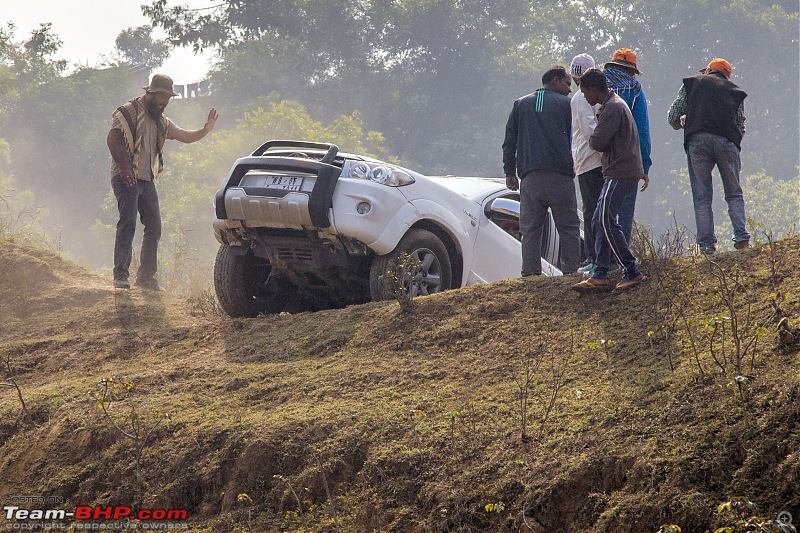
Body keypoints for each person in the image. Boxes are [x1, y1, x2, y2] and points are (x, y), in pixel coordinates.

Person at [108, 74, 218, 290]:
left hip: (146, 179)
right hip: (126, 177)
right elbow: (113, 139)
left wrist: (205, 130)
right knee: (128, 223)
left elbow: (185, 136)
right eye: (161, 96)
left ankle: (146, 278)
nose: (164, 101)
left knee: (154, 226)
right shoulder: (128, 112)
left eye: (167, 97)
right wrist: (124, 168)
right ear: (149, 93)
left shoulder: (161, 122)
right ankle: (120, 274)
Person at [572, 69, 647, 293]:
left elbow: (597, 141)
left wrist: (596, 133)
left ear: (594, 89)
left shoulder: (613, 108)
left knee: (605, 219)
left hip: (621, 171)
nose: (584, 96)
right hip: (618, 171)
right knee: (598, 219)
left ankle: (631, 270)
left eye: (585, 91)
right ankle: (600, 273)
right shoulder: (612, 105)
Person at [502, 66, 581, 277]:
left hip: (530, 177)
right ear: (555, 81)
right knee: (569, 228)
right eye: (567, 84)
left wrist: (510, 172)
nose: (569, 90)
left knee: (529, 230)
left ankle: (530, 274)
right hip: (560, 177)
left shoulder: (520, 104)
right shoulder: (568, 105)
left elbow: (509, 141)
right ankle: (571, 273)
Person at [667, 58, 750, 254]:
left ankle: (707, 246)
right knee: (734, 193)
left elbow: (672, 117)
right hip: (727, 142)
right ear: (726, 75)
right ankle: (742, 239)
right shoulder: (735, 91)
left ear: (709, 71)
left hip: (698, 140)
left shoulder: (693, 83)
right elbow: (740, 126)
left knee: (702, 196)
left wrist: (683, 122)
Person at [603, 48, 652, 244]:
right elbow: (642, 129)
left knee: (600, 211)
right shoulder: (634, 88)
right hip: (627, 158)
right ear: (631, 70)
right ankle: (621, 258)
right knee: (623, 211)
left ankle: (599, 257)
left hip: (598, 157)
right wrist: (645, 166)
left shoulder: (594, 86)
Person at [570, 53, 605, 277]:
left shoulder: (578, 98)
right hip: (596, 160)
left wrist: (603, 147)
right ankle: (597, 257)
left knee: (592, 210)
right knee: (597, 211)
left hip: (589, 160)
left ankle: (594, 257)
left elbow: (590, 130)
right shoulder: (590, 97)